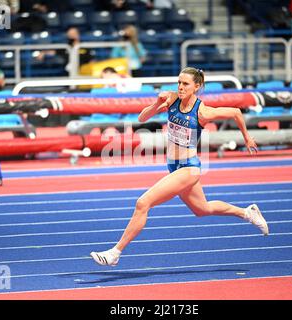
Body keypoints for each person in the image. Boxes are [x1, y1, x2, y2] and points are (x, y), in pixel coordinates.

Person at [90, 67, 269, 266]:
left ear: (197, 86)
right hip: (174, 167)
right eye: (179, 82)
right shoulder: (172, 100)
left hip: (189, 168)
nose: (180, 87)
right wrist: (158, 102)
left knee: (143, 203)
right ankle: (247, 212)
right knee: (203, 209)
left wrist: (247, 138)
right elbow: (142, 118)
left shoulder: (203, 111)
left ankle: (115, 253)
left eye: (185, 84)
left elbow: (236, 112)